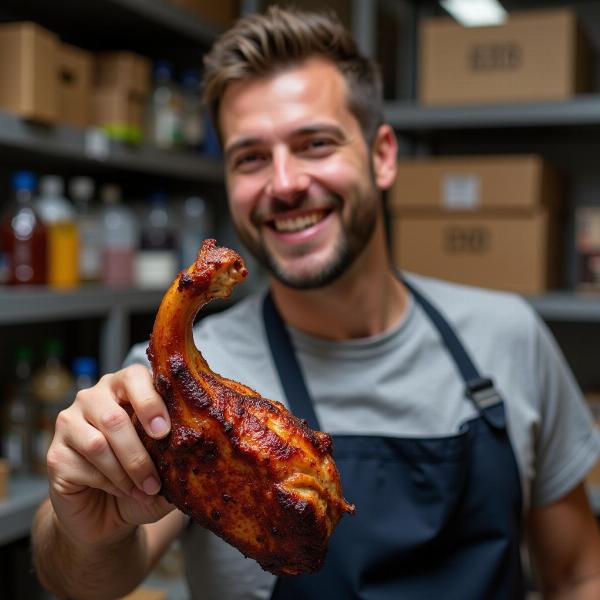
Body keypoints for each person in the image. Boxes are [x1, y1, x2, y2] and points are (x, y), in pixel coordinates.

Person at [32, 6, 600, 599]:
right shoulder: (166, 389)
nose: (283, 183)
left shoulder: (509, 337)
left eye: (315, 143)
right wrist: (82, 528)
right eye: (251, 157)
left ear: (382, 155)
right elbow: (83, 581)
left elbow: (579, 572)